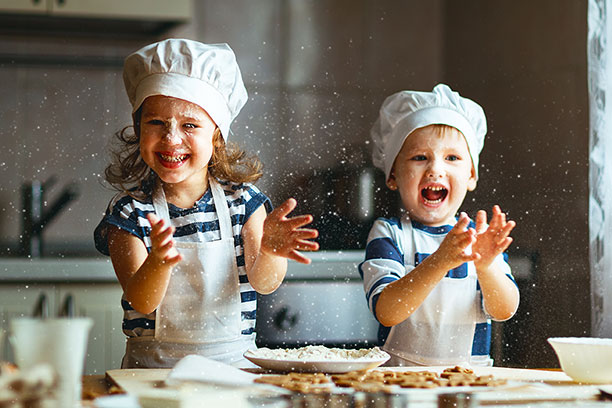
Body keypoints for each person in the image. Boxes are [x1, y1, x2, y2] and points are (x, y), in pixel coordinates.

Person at [94, 38, 319, 368]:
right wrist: (158, 261)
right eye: (155, 122)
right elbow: (141, 301)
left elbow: (264, 284)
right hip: (152, 375)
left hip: (234, 371)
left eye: (189, 125)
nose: (171, 138)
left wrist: (270, 251)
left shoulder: (244, 203)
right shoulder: (129, 213)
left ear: (216, 136)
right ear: (138, 128)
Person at [360, 84, 520, 367]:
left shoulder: (479, 240)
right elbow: (386, 311)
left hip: (470, 384)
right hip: (399, 384)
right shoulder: (389, 233)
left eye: (452, 158)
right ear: (393, 174)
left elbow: (504, 310)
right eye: (420, 157)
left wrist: (485, 266)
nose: (435, 169)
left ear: (471, 175)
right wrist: (439, 262)